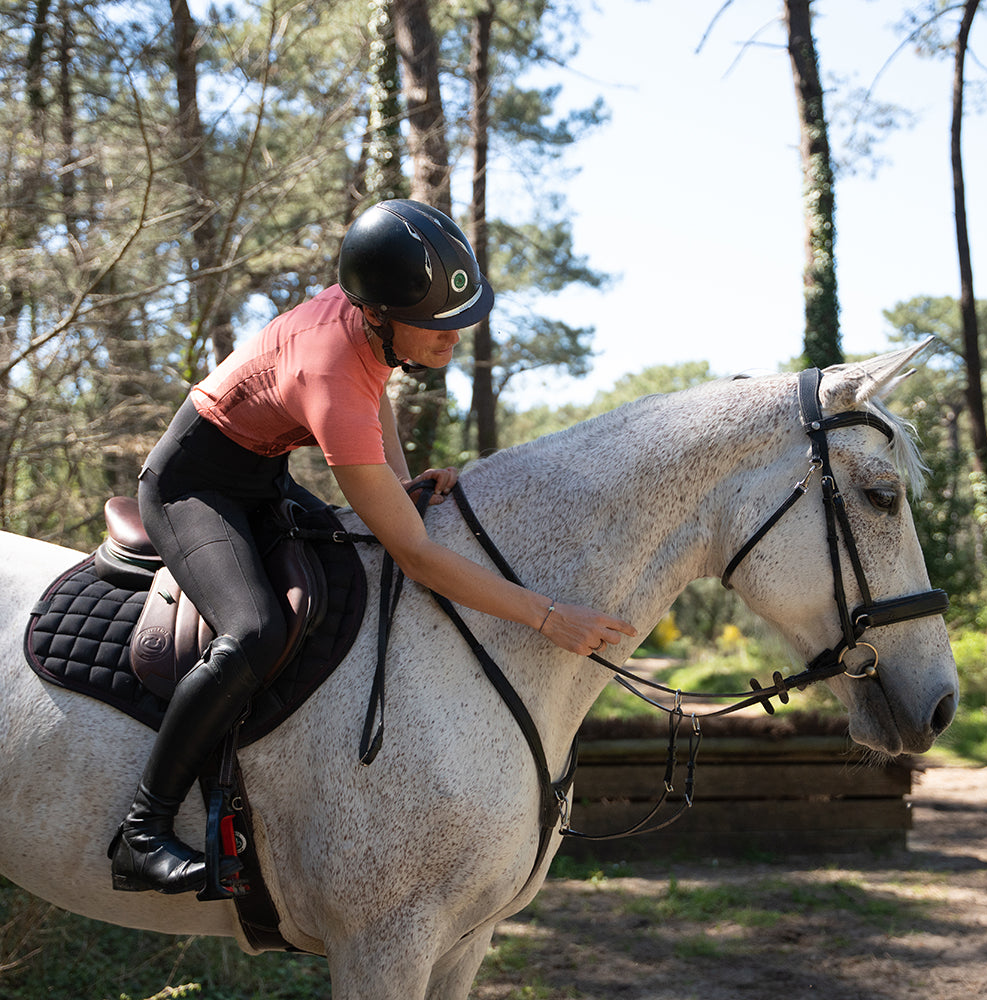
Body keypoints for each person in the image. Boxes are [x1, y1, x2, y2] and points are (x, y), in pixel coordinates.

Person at [108, 198, 637, 895]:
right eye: (439, 327)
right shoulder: (328, 370)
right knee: (256, 631)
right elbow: (416, 555)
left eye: (463, 318)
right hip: (192, 487)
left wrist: (402, 477)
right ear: (382, 315)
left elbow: (373, 386)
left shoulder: (367, 321)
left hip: (259, 473)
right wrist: (545, 616)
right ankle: (141, 831)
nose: (456, 338)